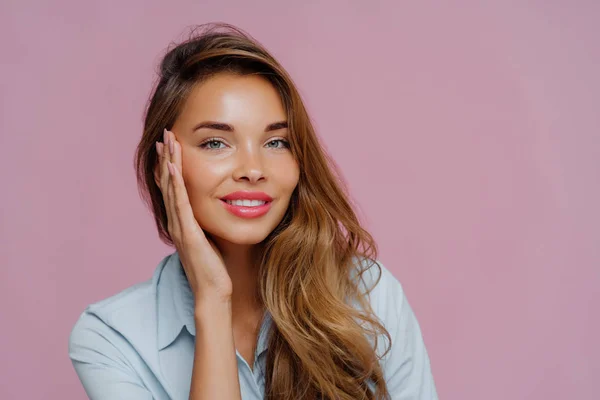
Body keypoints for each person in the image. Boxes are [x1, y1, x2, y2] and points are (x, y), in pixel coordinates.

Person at [68, 23, 438, 400]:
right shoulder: (112, 337)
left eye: (276, 142)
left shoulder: (369, 296)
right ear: (163, 164)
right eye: (216, 142)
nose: (253, 168)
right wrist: (212, 299)